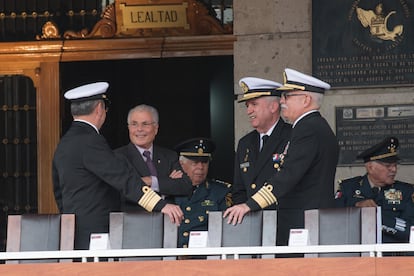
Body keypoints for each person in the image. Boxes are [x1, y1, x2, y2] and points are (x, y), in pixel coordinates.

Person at [52, 82, 183, 250]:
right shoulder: (91, 141)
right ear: (100, 108)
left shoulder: (65, 143)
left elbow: (58, 190)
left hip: (75, 231)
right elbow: (123, 178)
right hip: (96, 233)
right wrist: (161, 205)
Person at [224, 68, 339, 248]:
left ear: (306, 100)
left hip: (304, 223)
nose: (282, 101)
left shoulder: (307, 128)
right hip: (302, 223)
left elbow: (288, 175)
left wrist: (249, 205)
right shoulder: (314, 126)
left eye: (288, 96)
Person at [231, 77, 291, 224]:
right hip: (253, 223)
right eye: (247, 106)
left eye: (254, 104)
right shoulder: (245, 143)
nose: (249, 111)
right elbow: (239, 189)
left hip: (283, 221)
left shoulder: (292, 136)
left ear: (273, 106)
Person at [335, 137, 414, 245]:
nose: (394, 170)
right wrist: (356, 209)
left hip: (392, 256)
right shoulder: (348, 188)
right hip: (356, 256)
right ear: (370, 167)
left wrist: (376, 217)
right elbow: (333, 222)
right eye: (388, 166)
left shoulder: (406, 191)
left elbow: (410, 231)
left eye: (395, 165)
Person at [114, 104, 193, 211]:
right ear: (128, 128)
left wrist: (151, 181)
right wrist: (167, 182)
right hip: (133, 221)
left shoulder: (169, 156)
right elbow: (124, 192)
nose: (139, 129)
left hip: (168, 222)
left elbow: (185, 186)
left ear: (156, 128)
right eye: (134, 124)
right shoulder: (117, 157)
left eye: (145, 124)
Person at [174, 137, 231, 249]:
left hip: (206, 259)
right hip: (172, 258)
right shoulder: (168, 190)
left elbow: (227, 231)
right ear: (181, 164)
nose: (200, 167)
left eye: (204, 162)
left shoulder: (220, 192)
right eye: (195, 163)